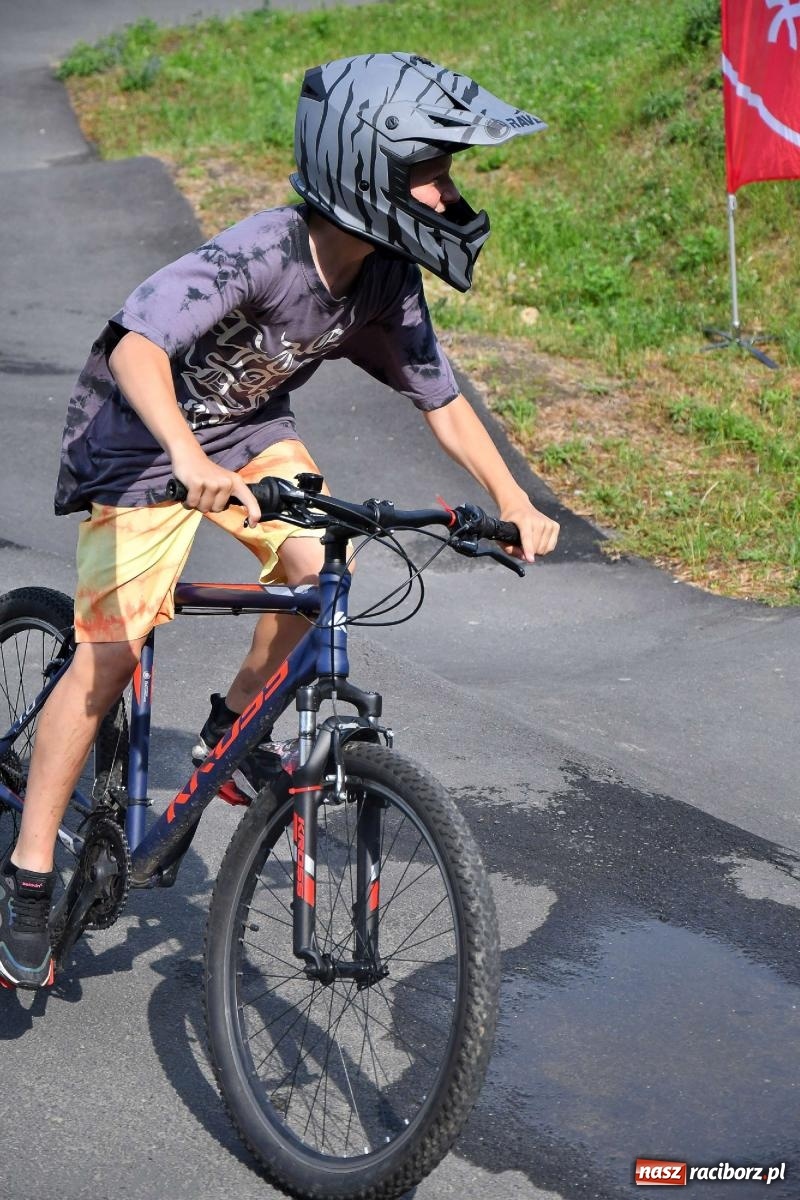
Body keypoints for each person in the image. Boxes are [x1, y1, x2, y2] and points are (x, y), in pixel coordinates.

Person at [0, 52, 559, 990]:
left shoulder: (383, 277)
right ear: (366, 170)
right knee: (110, 652)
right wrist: (188, 460)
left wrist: (513, 500)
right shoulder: (263, 253)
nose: (448, 194)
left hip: (250, 435)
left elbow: (442, 399)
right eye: (431, 172)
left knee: (318, 570)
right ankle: (28, 873)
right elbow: (135, 348)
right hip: (141, 443)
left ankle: (229, 732)